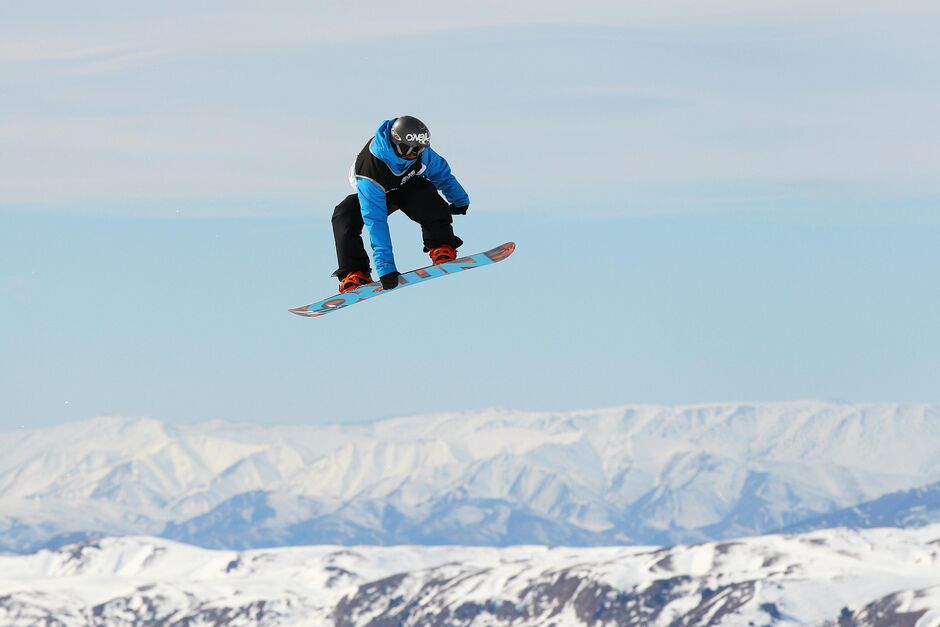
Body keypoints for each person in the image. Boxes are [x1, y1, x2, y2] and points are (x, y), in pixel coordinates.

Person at [331, 116, 470, 293]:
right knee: (344, 214)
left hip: (408, 189)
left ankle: (441, 245)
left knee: (423, 188)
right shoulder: (369, 174)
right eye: (409, 150)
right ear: (396, 143)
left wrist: (459, 200)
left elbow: (441, 173)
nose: (415, 155)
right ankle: (355, 272)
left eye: (419, 150)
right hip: (377, 195)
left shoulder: (421, 153)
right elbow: (376, 223)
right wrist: (386, 268)